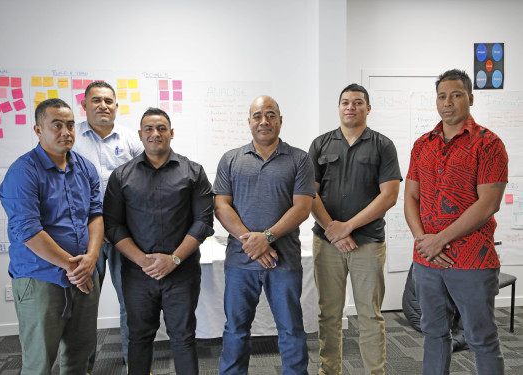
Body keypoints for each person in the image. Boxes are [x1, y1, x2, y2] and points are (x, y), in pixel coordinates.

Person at [404, 69, 508, 375]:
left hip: (472, 261)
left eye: (456, 94)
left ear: (470, 99)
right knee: (434, 335)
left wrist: (440, 239)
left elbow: (488, 203)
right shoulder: (423, 144)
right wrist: (425, 241)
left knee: (482, 339)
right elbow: (410, 197)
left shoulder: (489, 144)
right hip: (427, 261)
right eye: (442, 96)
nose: (448, 102)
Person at [103, 107, 214, 375]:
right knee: (139, 337)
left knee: (183, 337)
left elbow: (203, 223)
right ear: (140, 135)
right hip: (138, 274)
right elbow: (113, 225)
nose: (156, 134)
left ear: (171, 133)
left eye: (162, 128)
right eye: (149, 129)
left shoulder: (193, 172)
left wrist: (173, 259)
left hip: (182, 272)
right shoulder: (121, 176)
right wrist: (144, 261)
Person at [0, 98, 104, 374]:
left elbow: (95, 215)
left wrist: (92, 257)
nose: (65, 132)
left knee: (80, 356)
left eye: (70, 125)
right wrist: (74, 267)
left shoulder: (85, 168)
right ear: (38, 130)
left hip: (84, 275)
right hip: (40, 279)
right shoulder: (23, 172)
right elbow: (28, 231)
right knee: (39, 362)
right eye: (56, 125)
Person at [213, 95, 315, 375]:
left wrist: (266, 237)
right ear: (249, 122)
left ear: (280, 120)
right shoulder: (231, 159)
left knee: (291, 329)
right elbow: (221, 206)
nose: (264, 121)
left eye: (271, 115)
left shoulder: (300, 159)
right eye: (257, 116)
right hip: (239, 262)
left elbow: (303, 208)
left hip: (285, 262)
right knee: (235, 330)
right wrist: (252, 241)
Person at [308, 84, 401, 375]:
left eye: (358, 102)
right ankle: (329, 370)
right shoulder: (321, 144)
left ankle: (375, 372)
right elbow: (308, 194)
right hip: (327, 243)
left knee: (370, 316)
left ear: (368, 108)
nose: (351, 107)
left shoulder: (383, 145)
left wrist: (346, 227)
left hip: (368, 243)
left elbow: (389, 195)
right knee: (329, 315)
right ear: (338, 107)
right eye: (346, 102)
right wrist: (332, 230)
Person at [72, 80, 143, 372]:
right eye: (96, 100)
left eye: (109, 101)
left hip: (124, 233)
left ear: (116, 106)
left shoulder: (130, 140)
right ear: (85, 105)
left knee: (131, 303)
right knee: (82, 304)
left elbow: (149, 178)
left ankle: (134, 364)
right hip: (83, 234)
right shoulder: (70, 138)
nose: (103, 105)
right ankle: (81, 366)